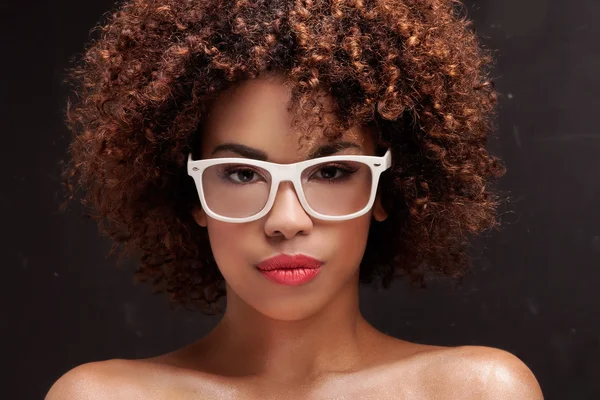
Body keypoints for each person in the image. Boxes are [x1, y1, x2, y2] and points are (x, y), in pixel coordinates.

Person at [46, 0, 543, 398]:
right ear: (192, 193)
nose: (287, 220)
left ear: (385, 189)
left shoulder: (478, 391)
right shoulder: (101, 395)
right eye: (241, 173)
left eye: (330, 171)